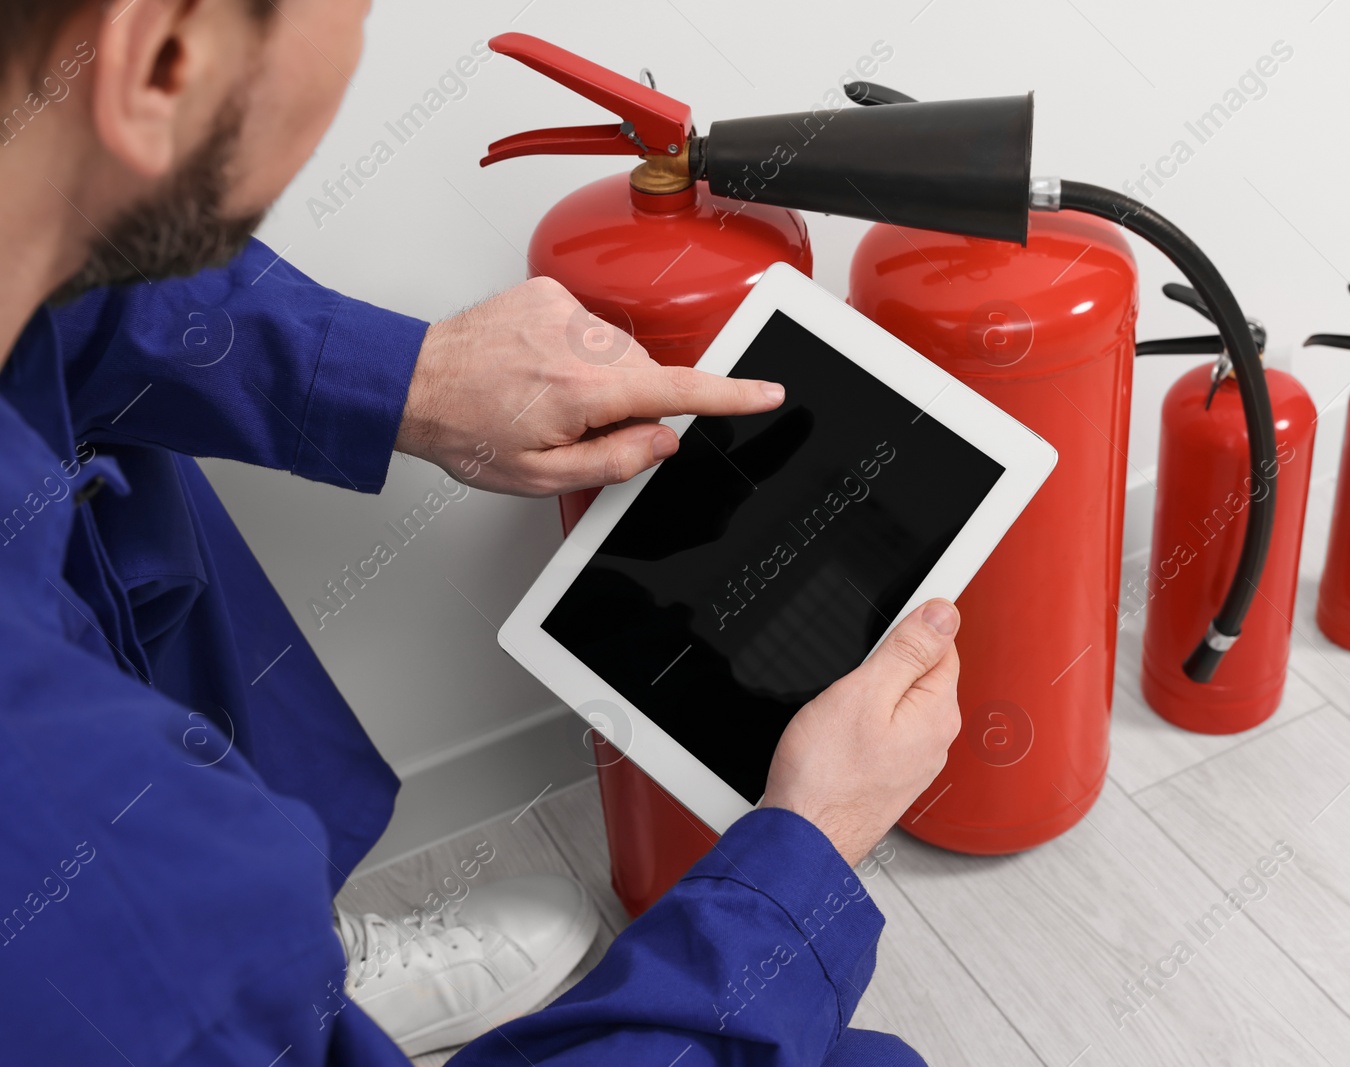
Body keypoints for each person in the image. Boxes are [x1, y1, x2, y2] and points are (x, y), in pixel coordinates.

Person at [0, 2, 962, 1064]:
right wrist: (806, 854)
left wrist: (404, 378)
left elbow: (81, 301)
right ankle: (267, 1010)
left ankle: (290, 980)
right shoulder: (60, 820)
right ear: (163, 58)